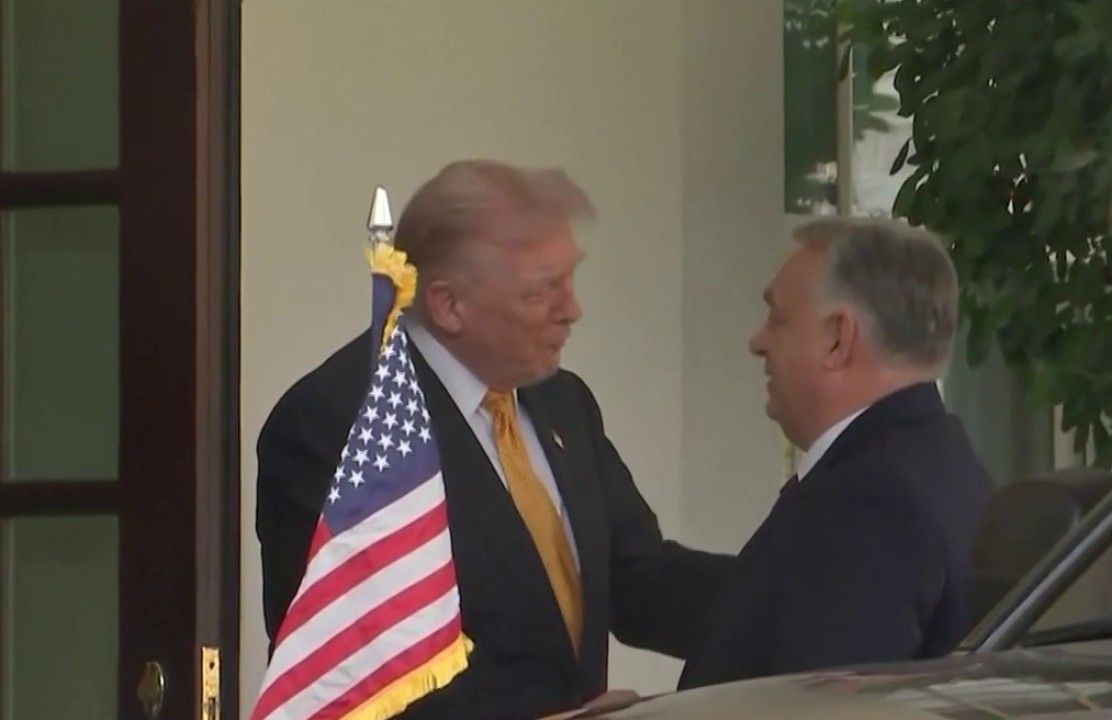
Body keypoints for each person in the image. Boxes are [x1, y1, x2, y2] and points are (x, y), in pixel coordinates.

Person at [257, 160, 730, 719]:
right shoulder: (338, 423)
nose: (572, 310)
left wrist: (787, 592)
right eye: (543, 290)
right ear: (448, 305)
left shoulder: (562, 402)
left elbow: (636, 579)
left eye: (569, 280)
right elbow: (355, 674)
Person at [678, 217, 992, 689]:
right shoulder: (943, 461)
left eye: (777, 318)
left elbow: (809, 706)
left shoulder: (868, 500)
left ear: (838, 339)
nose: (757, 342)